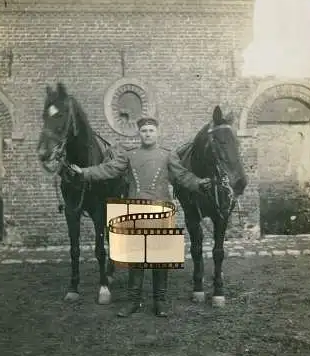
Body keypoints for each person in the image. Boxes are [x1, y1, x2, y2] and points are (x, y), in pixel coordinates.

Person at [68, 116, 212, 318]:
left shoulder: (167, 155)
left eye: (151, 130)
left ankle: (159, 302)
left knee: (160, 260)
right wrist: (84, 172)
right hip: (135, 211)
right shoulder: (129, 156)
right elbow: (107, 169)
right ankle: (133, 302)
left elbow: (182, 176)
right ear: (139, 134)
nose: (148, 134)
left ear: (157, 132)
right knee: (136, 259)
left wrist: (199, 183)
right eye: (144, 131)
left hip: (162, 210)